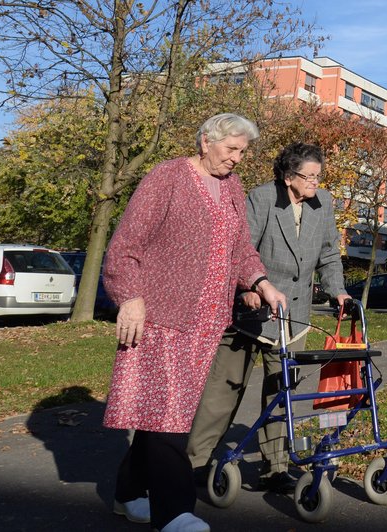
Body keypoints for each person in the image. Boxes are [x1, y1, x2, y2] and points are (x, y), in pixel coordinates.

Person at [102, 113, 287, 532]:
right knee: (170, 415)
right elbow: (126, 245)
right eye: (231, 149)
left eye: (243, 151)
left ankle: (128, 493)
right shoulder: (167, 177)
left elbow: (241, 249)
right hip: (160, 317)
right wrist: (128, 298)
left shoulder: (232, 188)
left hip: (206, 325)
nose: (238, 159)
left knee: (166, 413)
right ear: (206, 141)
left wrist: (262, 283)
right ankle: (175, 512)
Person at [187, 142, 350, 493]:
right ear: (289, 176)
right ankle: (195, 462)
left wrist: (337, 290)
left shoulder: (322, 205)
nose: (315, 183)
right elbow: (237, 249)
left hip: (294, 316)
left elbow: (328, 256)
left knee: (282, 391)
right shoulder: (262, 199)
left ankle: (275, 468)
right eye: (309, 176)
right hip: (251, 309)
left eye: (319, 176)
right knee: (225, 389)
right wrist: (247, 287)